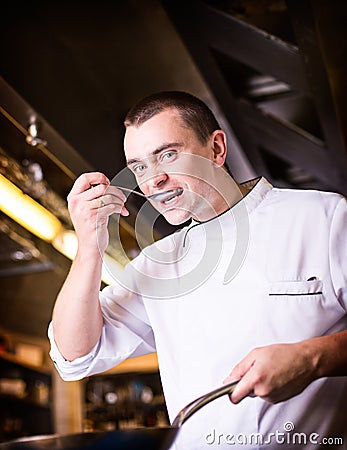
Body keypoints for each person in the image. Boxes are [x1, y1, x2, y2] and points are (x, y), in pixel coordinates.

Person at [48, 91, 347, 449]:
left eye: (168, 155)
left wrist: (312, 359)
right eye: (139, 167)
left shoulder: (323, 217)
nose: (152, 180)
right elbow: (75, 356)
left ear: (216, 149)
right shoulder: (160, 263)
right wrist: (88, 249)